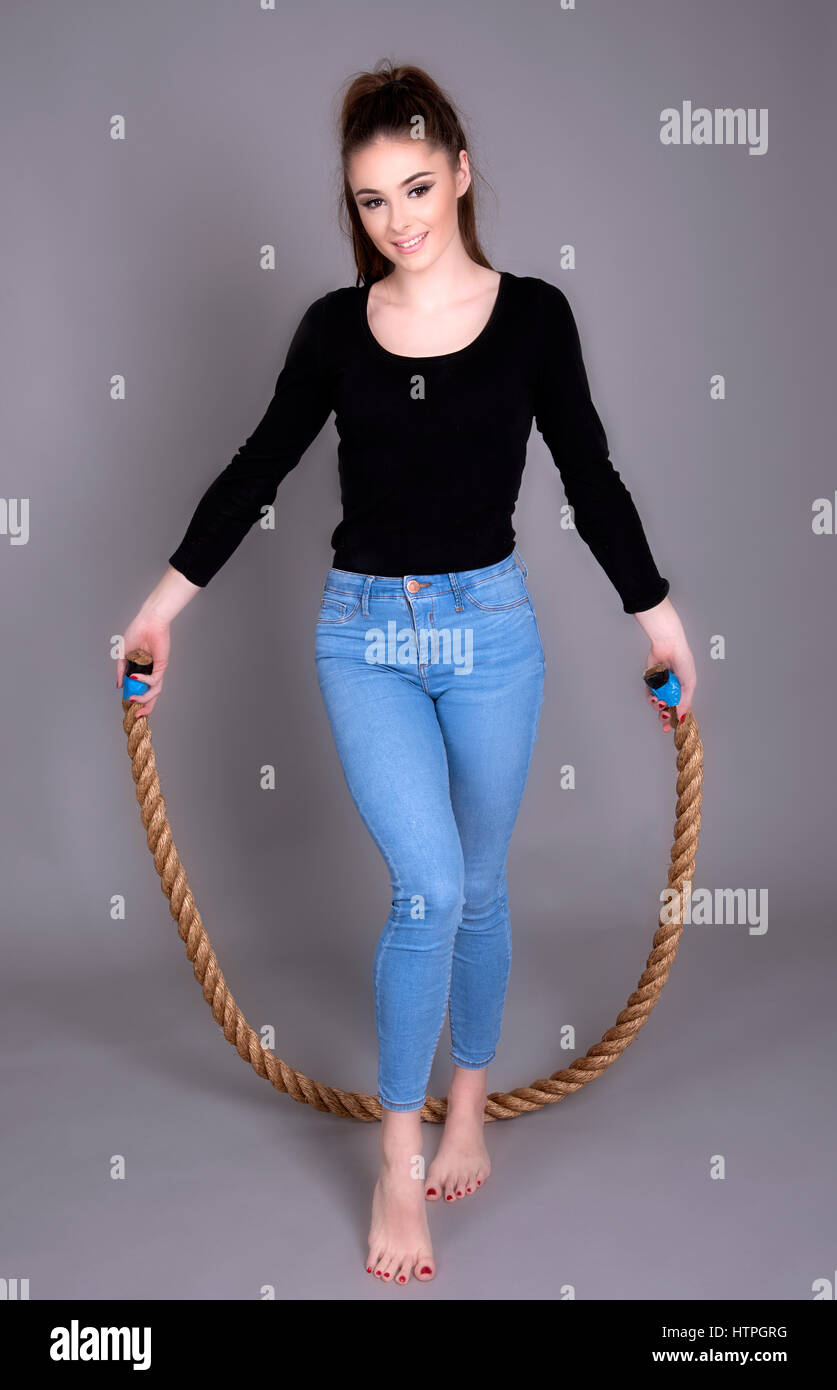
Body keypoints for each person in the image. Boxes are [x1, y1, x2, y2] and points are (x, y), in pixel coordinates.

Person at [117, 61, 697, 1288]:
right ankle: (397, 1153)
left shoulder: (536, 317)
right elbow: (254, 469)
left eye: (418, 187)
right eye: (372, 199)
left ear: (462, 173)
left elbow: (590, 480)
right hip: (366, 635)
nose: (400, 219)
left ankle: (469, 1105)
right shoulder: (334, 331)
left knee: (481, 887)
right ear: (353, 207)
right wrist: (161, 609)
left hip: (492, 633)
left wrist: (661, 622)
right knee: (427, 886)